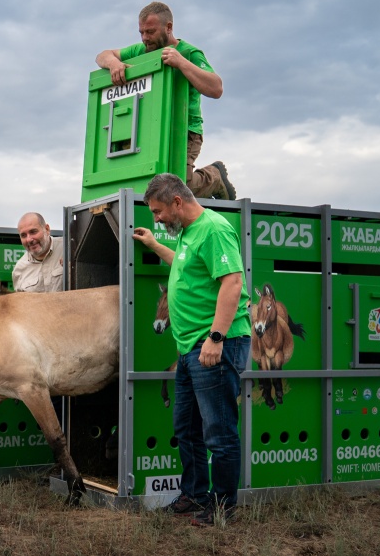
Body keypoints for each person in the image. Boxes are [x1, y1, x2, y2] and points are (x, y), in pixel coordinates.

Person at [131, 173, 250, 526]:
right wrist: (154, 244)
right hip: (189, 349)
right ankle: (195, 493)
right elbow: (184, 266)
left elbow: (233, 281)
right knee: (187, 427)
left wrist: (216, 337)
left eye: (157, 212)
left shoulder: (213, 229)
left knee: (219, 430)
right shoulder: (187, 234)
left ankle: (223, 506)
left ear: (177, 202)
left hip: (213, 345)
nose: (157, 218)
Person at [96, 1, 236, 201]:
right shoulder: (142, 50)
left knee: (177, 189)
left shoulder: (189, 53)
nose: (145, 38)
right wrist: (113, 64)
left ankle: (214, 177)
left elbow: (216, 88)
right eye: (141, 32)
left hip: (186, 131)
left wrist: (181, 63)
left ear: (168, 27)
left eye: (150, 32)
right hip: (151, 132)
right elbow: (102, 55)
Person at [12, 212, 63, 293]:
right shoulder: (19, 270)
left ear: (47, 229)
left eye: (33, 232)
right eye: (23, 235)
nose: (29, 239)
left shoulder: (69, 249)